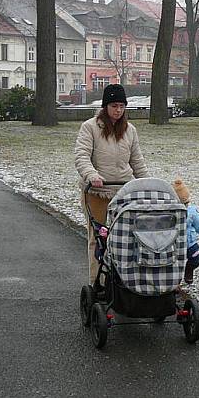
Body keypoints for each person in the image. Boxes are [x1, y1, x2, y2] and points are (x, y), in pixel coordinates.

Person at [74, 83, 149, 284]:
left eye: (121, 106)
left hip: (122, 191)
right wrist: (92, 175)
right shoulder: (90, 127)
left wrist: (146, 184)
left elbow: (137, 160)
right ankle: (96, 282)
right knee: (97, 239)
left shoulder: (130, 130)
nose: (118, 110)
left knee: (126, 238)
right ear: (106, 107)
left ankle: (124, 281)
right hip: (96, 191)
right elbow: (82, 156)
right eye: (114, 106)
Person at [172, 178, 199, 284]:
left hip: (190, 243)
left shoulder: (191, 212)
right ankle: (173, 281)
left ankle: (189, 269)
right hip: (173, 245)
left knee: (196, 256)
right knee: (172, 263)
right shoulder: (167, 213)